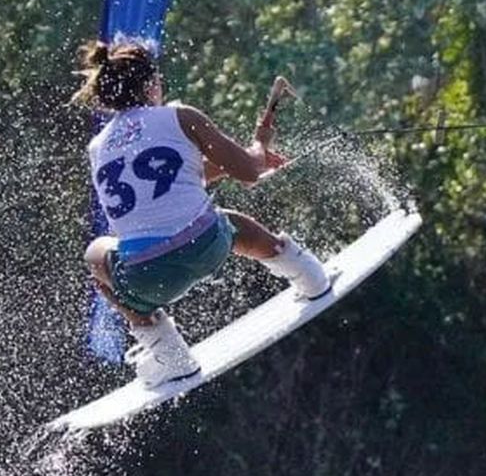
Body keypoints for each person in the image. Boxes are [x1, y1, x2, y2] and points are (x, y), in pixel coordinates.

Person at [72, 39, 332, 386]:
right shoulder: (180, 116)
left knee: (95, 254)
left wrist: (231, 164)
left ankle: (168, 353)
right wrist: (259, 146)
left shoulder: (97, 146)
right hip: (210, 245)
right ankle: (310, 276)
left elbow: (167, 187)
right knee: (228, 222)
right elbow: (250, 173)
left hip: (147, 279)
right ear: (151, 84)